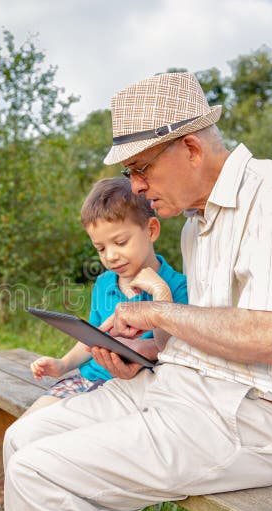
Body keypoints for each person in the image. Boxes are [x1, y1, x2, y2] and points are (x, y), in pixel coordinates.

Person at [0, 72, 272, 511]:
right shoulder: (195, 227)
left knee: (40, 473)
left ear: (191, 149)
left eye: (141, 168)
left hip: (254, 420)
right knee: (22, 437)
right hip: (178, 394)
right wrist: (141, 355)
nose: (135, 186)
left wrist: (156, 310)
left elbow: (271, 339)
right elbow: (206, 334)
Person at [24, 177, 188, 417]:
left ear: (151, 230)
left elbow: (173, 349)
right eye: (100, 248)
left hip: (133, 391)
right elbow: (92, 336)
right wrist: (63, 364)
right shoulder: (104, 283)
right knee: (27, 423)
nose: (110, 256)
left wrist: (160, 294)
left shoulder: (176, 286)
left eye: (120, 242)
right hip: (87, 380)